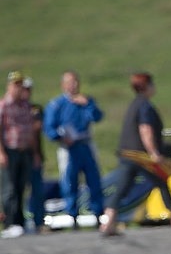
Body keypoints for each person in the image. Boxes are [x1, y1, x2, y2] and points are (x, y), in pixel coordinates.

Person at [101, 72, 171, 236]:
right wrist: (154, 153)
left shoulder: (134, 104)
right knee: (161, 181)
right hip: (141, 156)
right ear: (147, 87)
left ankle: (108, 221)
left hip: (127, 154)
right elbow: (146, 129)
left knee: (122, 188)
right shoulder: (145, 106)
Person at [43, 70, 104, 228]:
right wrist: (61, 137)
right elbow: (49, 127)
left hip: (85, 144)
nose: (74, 85)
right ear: (63, 85)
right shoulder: (57, 104)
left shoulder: (84, 101)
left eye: (76, 82)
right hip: (68, 147)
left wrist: (88, 104)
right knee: (69, 180)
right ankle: (72, 214)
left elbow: (97, 116)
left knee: (94, 179)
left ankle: (98, 211)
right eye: (70, 82)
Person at [0, 71, 40, 238]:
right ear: (9, 86)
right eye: (15, 85)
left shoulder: (25, 106)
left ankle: (20, 221)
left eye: (20, 85)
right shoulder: (4, 105)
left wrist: (35, 153)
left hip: (25, 150)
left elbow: (30, 130)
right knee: (9, 189)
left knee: (20, 187)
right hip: (9, 150)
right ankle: (10, 223)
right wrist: (1, 153)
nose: (18, 88)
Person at [21, 77, 46, 232]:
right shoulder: (11, 108)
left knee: (37, 189)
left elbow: (36, 127)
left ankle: (38, 221)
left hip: (34, 154)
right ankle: (18, 221)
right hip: (18, 154)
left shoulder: (35, 109)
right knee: (17, 189)